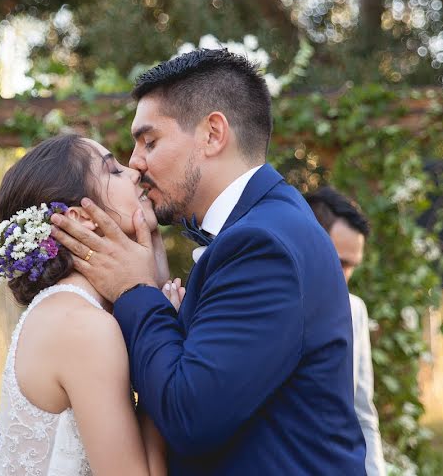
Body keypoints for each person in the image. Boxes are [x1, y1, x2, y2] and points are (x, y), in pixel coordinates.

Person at [50, 48, 366, 475]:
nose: (134, 163)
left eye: (149, 141)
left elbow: (190, 416)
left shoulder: (261, 244)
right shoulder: (266, 224)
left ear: (212, 134)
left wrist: (135, 291)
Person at [0, 134, 183, 476]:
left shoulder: (71, 312)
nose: (135, 171)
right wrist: (166, 337)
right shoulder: (81, 326)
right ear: (80, 217)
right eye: (114, 170)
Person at [305, 186, 387, 476]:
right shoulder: (265, 307)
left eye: (351, 266)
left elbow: (363, 413)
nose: (345, 277)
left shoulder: (355, 311)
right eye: (338, 262)